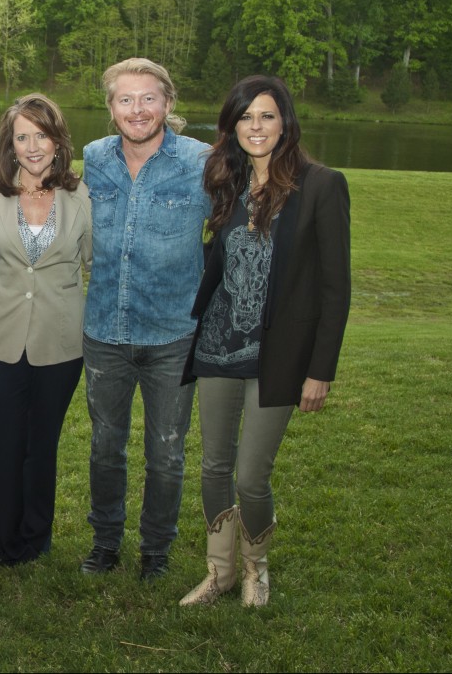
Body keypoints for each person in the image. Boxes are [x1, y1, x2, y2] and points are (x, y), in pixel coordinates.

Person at [179, 75, 351, 608]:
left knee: (251, 475)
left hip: (277, 355)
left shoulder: (321, 184)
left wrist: (320, 370)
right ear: (231, 127)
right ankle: (220, 572)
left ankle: (257, 569)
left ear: (286, 122)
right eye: (245, 117)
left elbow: (335, 287)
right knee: (212, 466)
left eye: (267, 116)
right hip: (217, 347)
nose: (256, 127)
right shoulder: (226, 183)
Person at [81, 58, 211, 580]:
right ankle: (106, 542)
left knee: (167, 453)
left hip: (172, 334)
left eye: (149, 98)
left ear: (168, 104)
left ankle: (156, 550)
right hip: (105, 332)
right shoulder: (94, 159)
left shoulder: (202, 162)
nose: (138, 109)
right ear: (111, 107)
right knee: (105, 447)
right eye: (126, 99)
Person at [0, 94, 91, 567]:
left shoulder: (79, 195)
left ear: (58, 140)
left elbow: (94, 261)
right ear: (10, 145)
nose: (32, 145)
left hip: (60, 343)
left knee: (42, 444)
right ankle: (6, 539)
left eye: (41, 134)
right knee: (4, 445)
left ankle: (37, 537)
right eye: (22, 136)